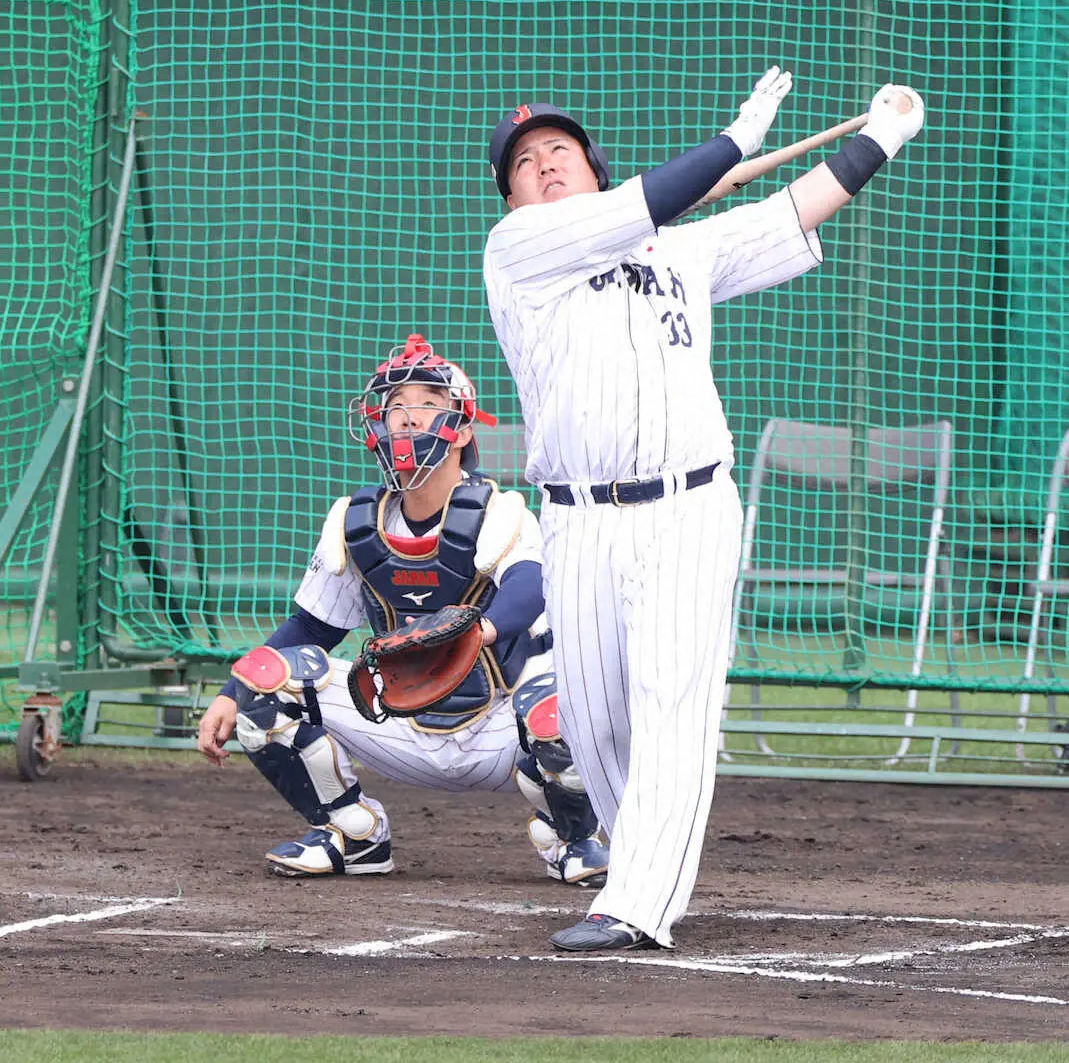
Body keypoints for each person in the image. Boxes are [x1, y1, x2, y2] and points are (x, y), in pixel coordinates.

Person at [482, 69, 925, 950]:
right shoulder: (517, 251)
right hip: (577, 517)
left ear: (595, 170)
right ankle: (630, 852)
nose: (543, 166)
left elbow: (791, 212)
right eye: (524, 163)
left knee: (672, 696)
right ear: (513, 196)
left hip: (686, 506)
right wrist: (734, 142)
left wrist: (884, 135)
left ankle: (637, 902)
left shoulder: (676, 251)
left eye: (559, 150)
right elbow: (659, 195)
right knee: (594, 719)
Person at [197, 333, 608, 888]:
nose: (407, 418)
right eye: (395, 408)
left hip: (498, 727)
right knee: (265, 678)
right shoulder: (354, 521)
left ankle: (571, 839)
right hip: (397, 722)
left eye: (426, 405)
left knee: (556, 707)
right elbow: (311, 628)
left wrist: (477, 631)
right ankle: (354, 832)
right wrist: (230, 691)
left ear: (461, 429)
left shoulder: (500, 511)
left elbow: (530, 589)